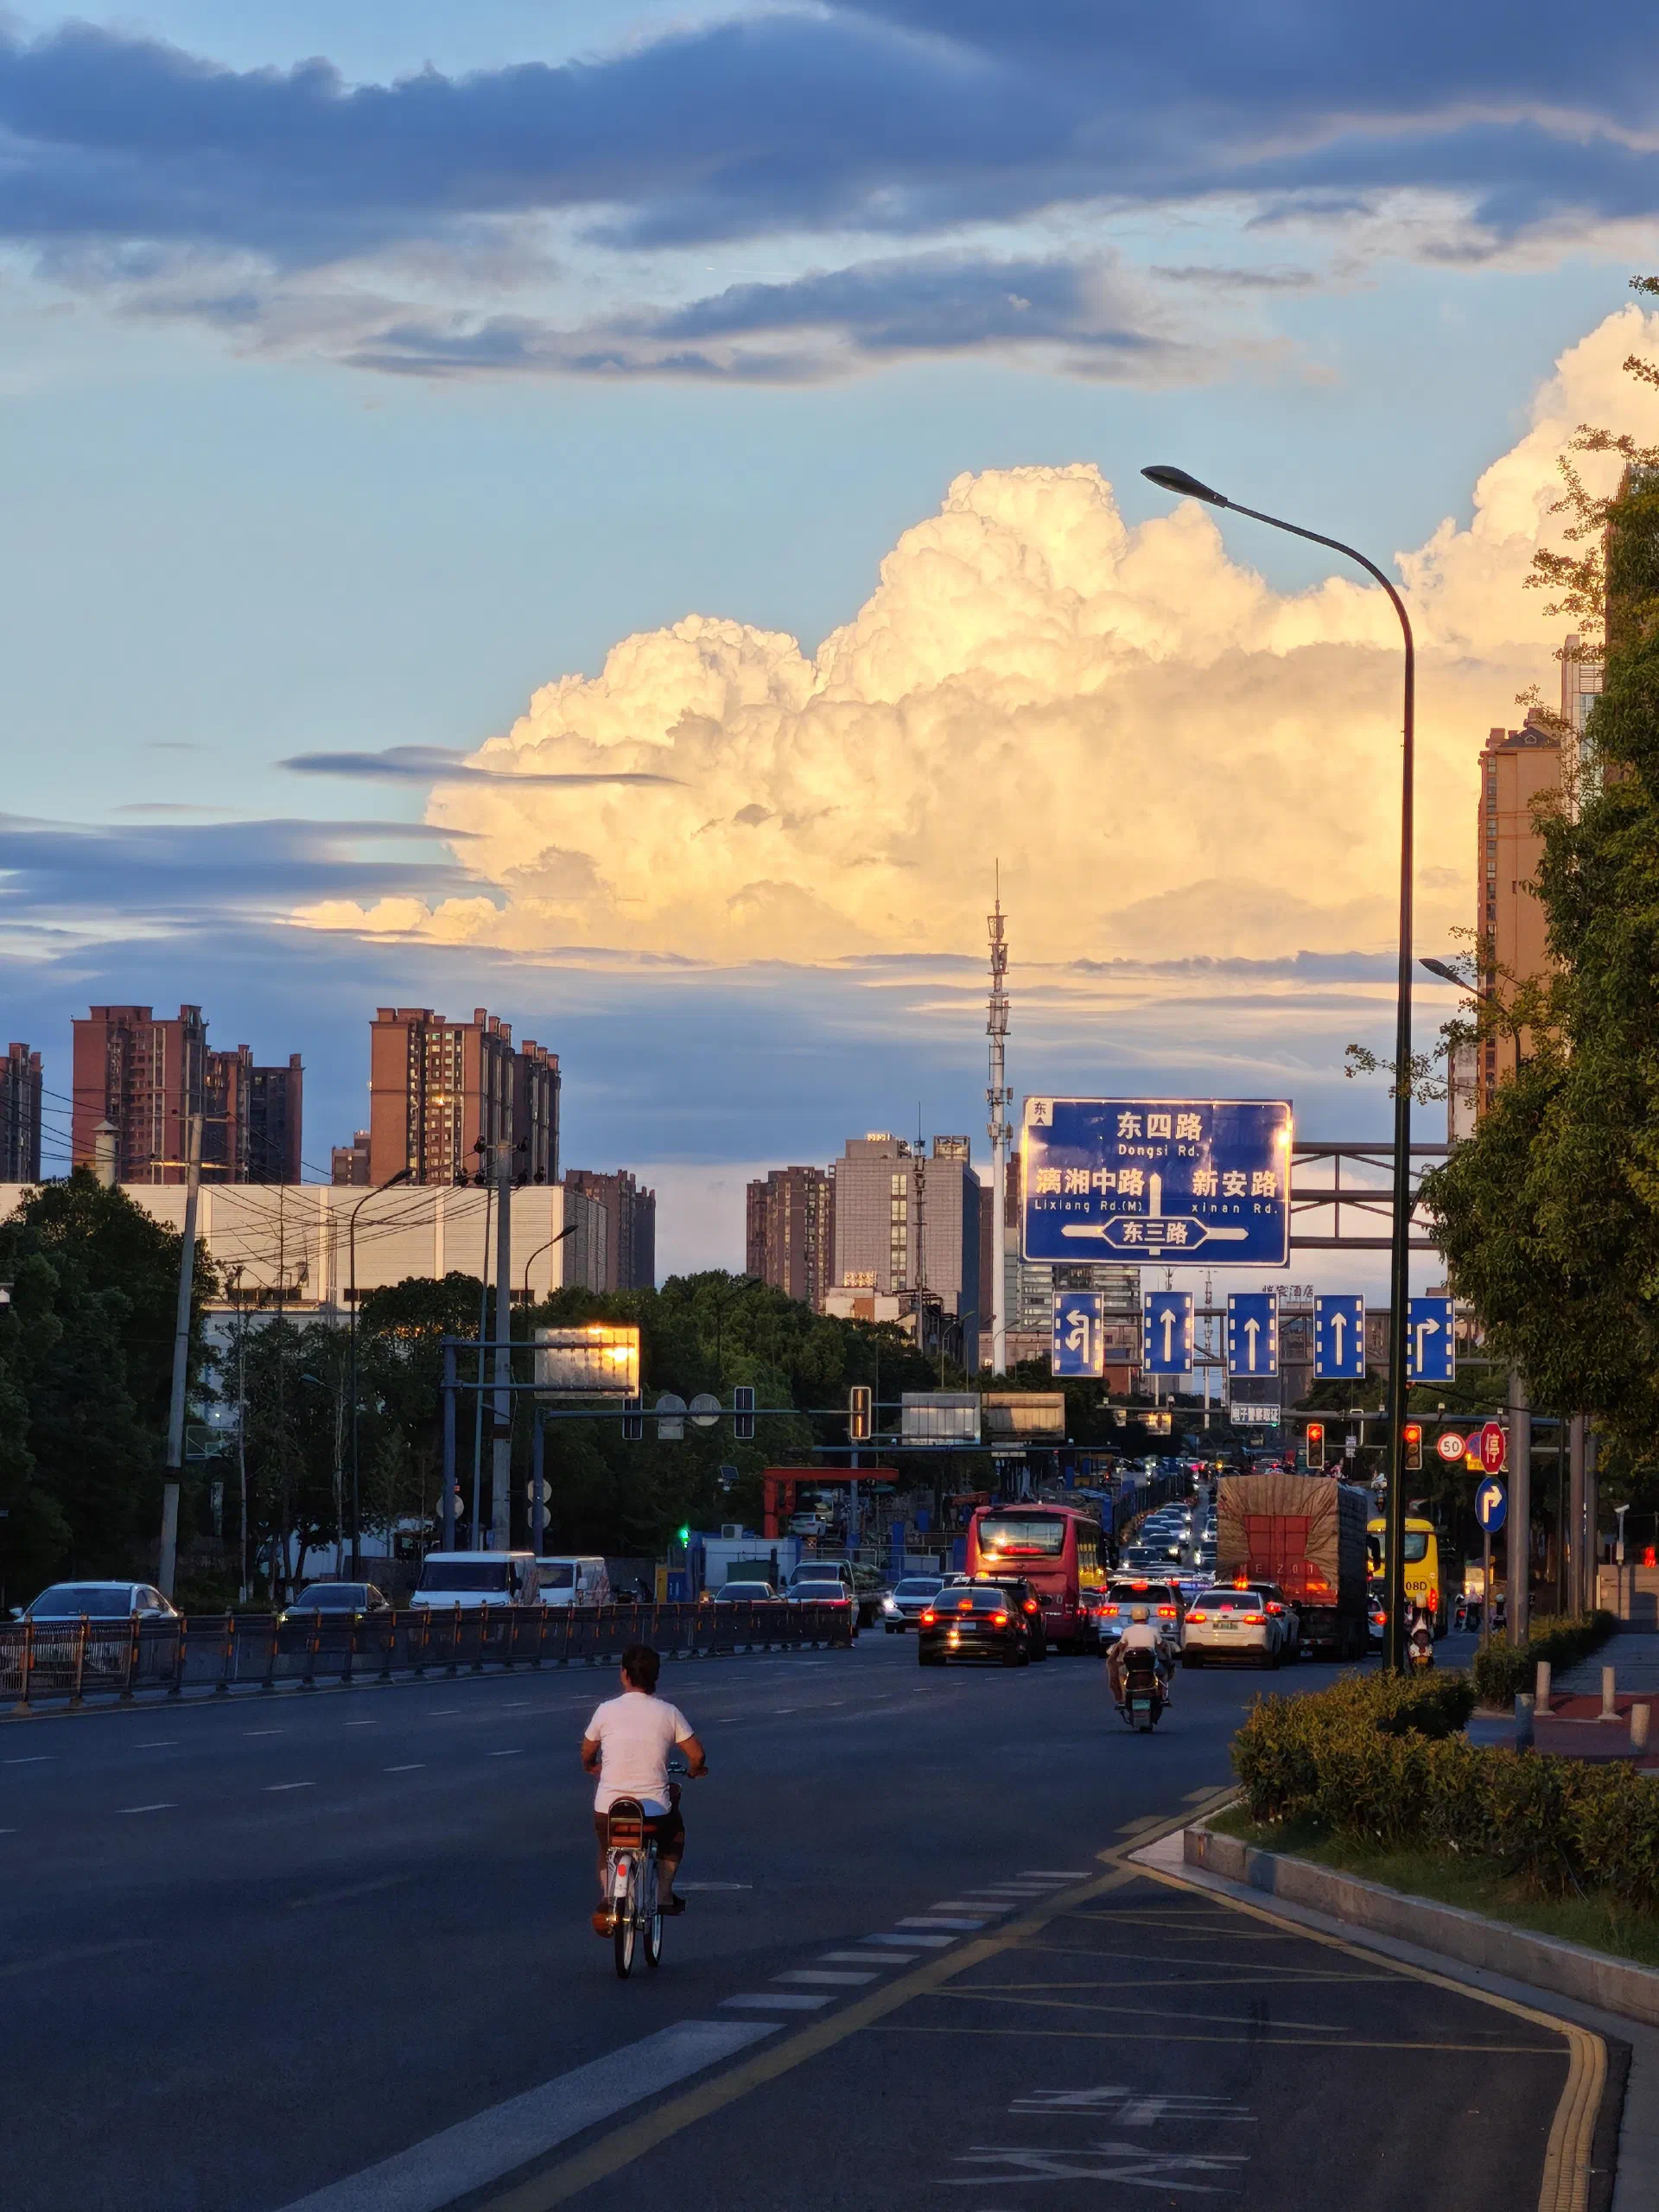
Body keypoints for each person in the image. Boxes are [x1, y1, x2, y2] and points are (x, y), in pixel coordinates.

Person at [581, 1643, 707, 1937]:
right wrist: (695, 1769)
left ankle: (608, 1898)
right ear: (656, 1677)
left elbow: (587, 1751)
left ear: (624, 1675)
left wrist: (591, 1765)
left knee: (606, 1844)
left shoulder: (605, 1710)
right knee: (675, 1832)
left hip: (609, 1810)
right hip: (654, 1816)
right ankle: (663, 1893)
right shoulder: (668, 1712)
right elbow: (697, 1754)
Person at [1108, 1603, 1173, 1707]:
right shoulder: (1153, 1630)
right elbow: (1161, 1644)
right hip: (1151, 1666)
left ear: (1132, 1617)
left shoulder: (1127, 1631)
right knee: (1164, 1673)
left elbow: (1122, 1645)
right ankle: (1164, 1698)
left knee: (1121, 1674)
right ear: (1147, 1616)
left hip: (1131, 1667)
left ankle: (1123, 1699)